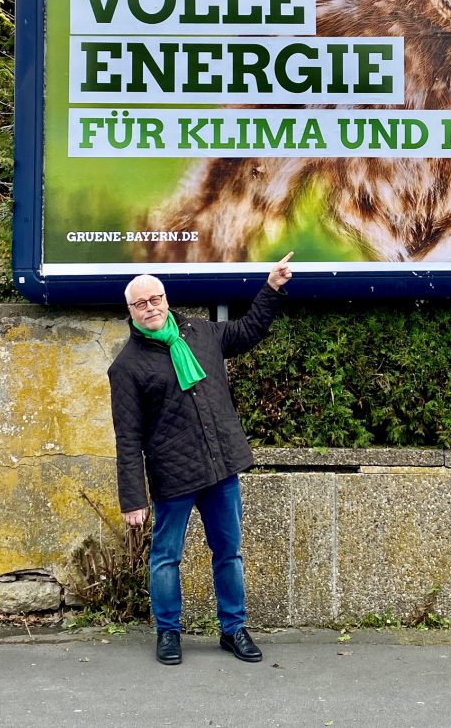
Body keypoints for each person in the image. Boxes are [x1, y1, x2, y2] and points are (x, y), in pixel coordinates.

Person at [107, 253, 294, 666]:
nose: (151, 307)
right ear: (131, 311)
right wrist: (133, 497)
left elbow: (246, 331)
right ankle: (168, 633)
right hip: (173, 477)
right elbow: (128, 437)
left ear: (166, 300)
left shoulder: (200, 333)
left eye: (156, 298)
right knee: (165, 558)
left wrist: (271, 288)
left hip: (220, 466)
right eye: (142, 303)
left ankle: (234, 629)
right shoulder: (126, 367)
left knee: (228, 552)